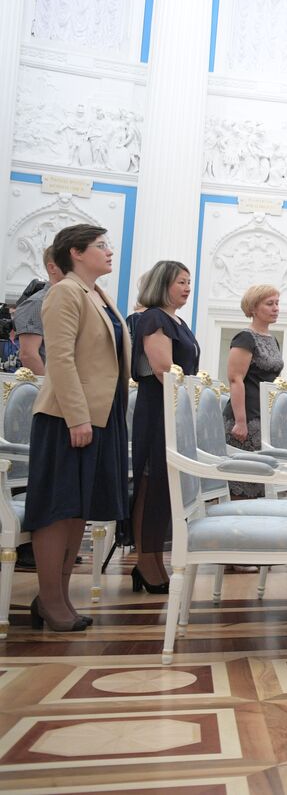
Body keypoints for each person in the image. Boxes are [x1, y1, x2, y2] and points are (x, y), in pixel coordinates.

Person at [23, 224, 129, 631]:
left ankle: (59, 597)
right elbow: (61, 360)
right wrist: (77, 416)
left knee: (77, 511)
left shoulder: (96, 294)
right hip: (67, 418)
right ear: (76, 252)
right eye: (100, 246)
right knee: (57, 509)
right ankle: (50, 600)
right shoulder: (65, 291)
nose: (108, 251)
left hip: (99, 415)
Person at [129, 261, 199, 594]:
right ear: (162, 284)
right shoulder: (154, 317)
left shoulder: (178, 320)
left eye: (189, 281)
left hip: (173, 409)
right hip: (158, 407)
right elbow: (163, 369)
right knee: (150, 484)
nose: (187, 287)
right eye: (180, 282)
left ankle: (155, 559)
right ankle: (145, 562)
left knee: (164, 489)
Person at [224, 284, 284, 497]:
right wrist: (241, 421)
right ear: (253, 308)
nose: (276, 308)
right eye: (270, 304)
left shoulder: (273, 339)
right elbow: (235, 379)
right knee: (244, 482)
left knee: (261, 482)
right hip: (245, 418)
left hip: (263, 417)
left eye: (277, 303)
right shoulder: (245, 338)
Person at [14, 246, 63, 374]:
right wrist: (49, 391)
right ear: (52, 268)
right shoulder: (38, 303)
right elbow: (28, 355)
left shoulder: (74, 301)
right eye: (69, 263)